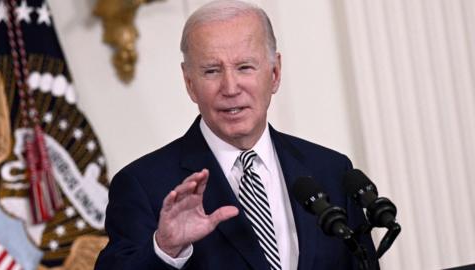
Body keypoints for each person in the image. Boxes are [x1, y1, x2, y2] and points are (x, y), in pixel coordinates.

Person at [95, 1, 378, 269]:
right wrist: (165, 249)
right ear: (190, 83)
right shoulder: (144, 185)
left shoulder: (330, 172)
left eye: (244, 67)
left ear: (275, 73)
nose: (230, 88)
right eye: (211, 70)